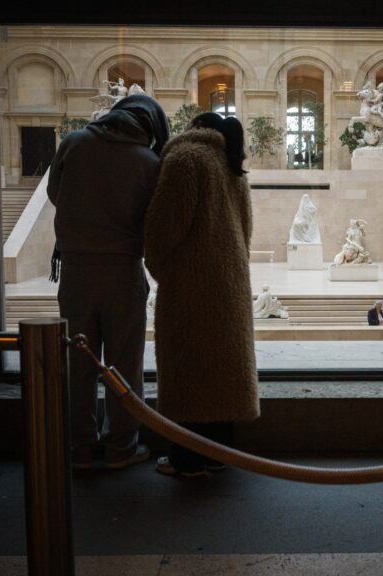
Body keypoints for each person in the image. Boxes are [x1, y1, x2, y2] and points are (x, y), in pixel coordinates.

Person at [47, 94, 170, 470]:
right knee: (125, 365)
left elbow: (54, 194)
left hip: (75, 272)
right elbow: (153, 219)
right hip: (122, 273)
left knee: (77, 364)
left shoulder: (73, 143)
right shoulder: (149, 162)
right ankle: (121, 447)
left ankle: (80, 448)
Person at [144, 112, 259, 478]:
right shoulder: (232, 164)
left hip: (191, 284)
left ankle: (187, 460)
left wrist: (160, 268)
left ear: (193, 128)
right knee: (222, 369)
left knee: (189, 368)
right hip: (230, 281)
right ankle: (219, 453)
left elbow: (164, 226)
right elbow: (246, 229)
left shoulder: (185, 159)